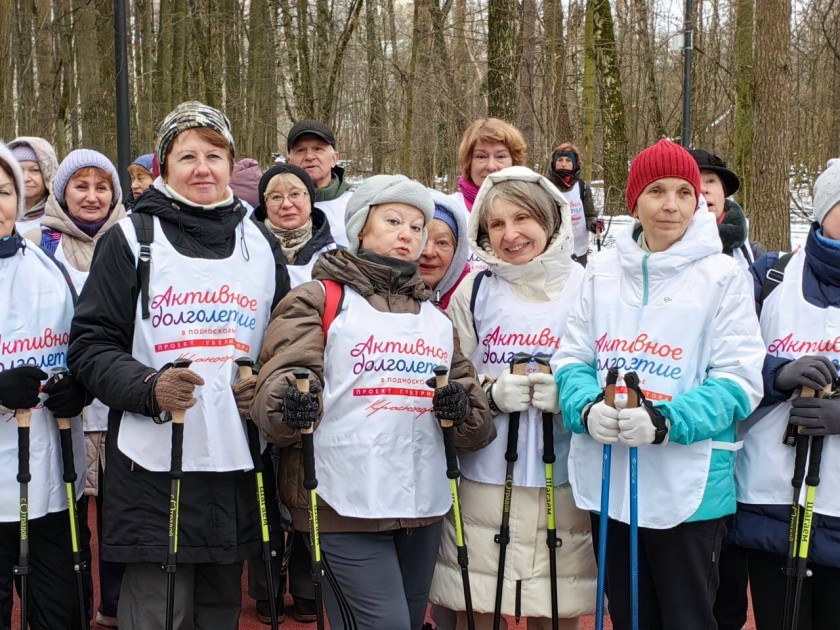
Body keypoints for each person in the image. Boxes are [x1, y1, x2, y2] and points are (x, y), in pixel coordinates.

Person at [67, 101, 291, 629]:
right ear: (164, 166)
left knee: (219, 609)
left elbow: (283, 341)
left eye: (214, 154)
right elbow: (90, 345)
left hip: (235, 457)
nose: (202, 167)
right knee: (157, 611)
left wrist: (267, 381)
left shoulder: (258, 241)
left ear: (230, 163)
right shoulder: (131, 238)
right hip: (153, 463)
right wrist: (149, 386)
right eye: (186, 155)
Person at [251, 175, 494, 630]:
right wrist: (290, 403)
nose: (408, 233)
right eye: (394, 220)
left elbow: (476, 426)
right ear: (362, 227)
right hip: (343, 503)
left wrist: (461, 409)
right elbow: (280, 384)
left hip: (420, 504)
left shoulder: (435, 319)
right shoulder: (319, 300)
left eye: (417, 227)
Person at [553, 139, 765, 630]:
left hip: (687, 484)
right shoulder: (601, 272)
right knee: (630, 615)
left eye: (683, 192)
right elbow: (572, 358)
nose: (671, 204)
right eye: (656, 191)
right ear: (635, 201)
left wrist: (666, 421)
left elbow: (738, 380)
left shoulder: (722, 276)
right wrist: (586, 408)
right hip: (611, 479)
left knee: (688, 618)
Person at [430, 166, 596, 630]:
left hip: (560, 474)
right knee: (477, 606)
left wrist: (568, 394)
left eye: (522, 218)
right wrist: (490, 393)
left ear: (549, 219)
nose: (510, 235)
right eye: (495, 224)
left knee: (555, 610)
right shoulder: (475, 288)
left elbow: (607, 372)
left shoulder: (590, 286)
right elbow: (450, 375)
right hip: (486, 473)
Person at [731, 158, 840, 630]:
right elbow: (725, 364)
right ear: (823, 209)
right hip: (772, 498)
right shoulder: (771, 276)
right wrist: (778, 375)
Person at [22, 148, 127, 627]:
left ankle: (117, 608)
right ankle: (79, 608)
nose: (91, 196)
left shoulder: (133, 242)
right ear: (61, 191)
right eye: (80, 186)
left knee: (123, 516)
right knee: (71, 523)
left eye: (101, 186)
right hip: (64, 411)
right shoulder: (38, 244)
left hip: (122, 406)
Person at [0, 141, 92, 629]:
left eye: (4, 192)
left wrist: (80, 386)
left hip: (54, 479)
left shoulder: (49, 268)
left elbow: (86, 346)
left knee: (62, 615)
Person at [250, 162, 340, 622]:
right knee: (262, 485)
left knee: (305, 481)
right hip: (260, 381)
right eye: (276, 197)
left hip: (311, 380)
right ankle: (266, 588)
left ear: (311, 200)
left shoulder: (335, 253)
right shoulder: (248, 249)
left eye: (296, 195)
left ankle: (307, 587)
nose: (287, 204)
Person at [451, 118, 527, 273]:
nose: (491, 166)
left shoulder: (532, 208)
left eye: (500, 156)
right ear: (468, 162)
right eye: (481, 156)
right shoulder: (450, 210)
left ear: (514, 161)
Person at [689, 148, 766, 270]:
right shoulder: (656, 253)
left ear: (724, 192)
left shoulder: (754, 256)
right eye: (694, 182)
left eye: (710, 181)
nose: (703, 189)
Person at [286, 120, 352, 247]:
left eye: (318, 149)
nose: (309, 156)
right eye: (300, 150)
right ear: (289, 161)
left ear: (334, 158)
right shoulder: (277, 207)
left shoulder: (356, 206)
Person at [546, 142, 598, 266]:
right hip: (553, 251)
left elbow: (589, 215)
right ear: (554, 163)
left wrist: (594, 225)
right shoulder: (545, 186)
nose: (564, 164)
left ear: (574, 164)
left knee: (579, 282)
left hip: (579, 249)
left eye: (568, 160)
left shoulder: (582, 187)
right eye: (560, 160)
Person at [418, 190, 469, 308]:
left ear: (457, 253)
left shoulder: (473, 299)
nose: (429, 252)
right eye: (422, 239)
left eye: (442, 243)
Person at [8, 136, 58, 234]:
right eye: (18, 170)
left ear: (48, 173)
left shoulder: (60, 219)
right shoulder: (3, 214)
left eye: (34, 170)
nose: (25, 178)